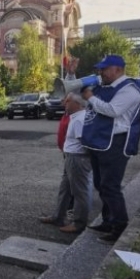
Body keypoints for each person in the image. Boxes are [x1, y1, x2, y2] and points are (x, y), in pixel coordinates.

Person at [81, 55, 140, 243]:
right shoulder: (107, 87)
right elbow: (83, 99)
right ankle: (108, 220)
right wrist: (71, 76)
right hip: (101, 141)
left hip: (116, 143)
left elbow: (112, 110)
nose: (101, 73)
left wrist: (91, 97)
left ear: (117, 69)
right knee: (101, 184)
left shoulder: (130, 90)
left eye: (104, 69)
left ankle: (120, 225)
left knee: (111, 186)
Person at [40, 93, 92, 233]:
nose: (64, 103)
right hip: (71, 157)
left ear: (78, 104)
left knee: (80, 192)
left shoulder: (80, 119)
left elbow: (86, 143)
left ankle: (79, 223)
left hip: (77, 158)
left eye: (68, 101)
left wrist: (82, 160)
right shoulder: (74, 117)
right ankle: (58, 216)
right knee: (65, 189)